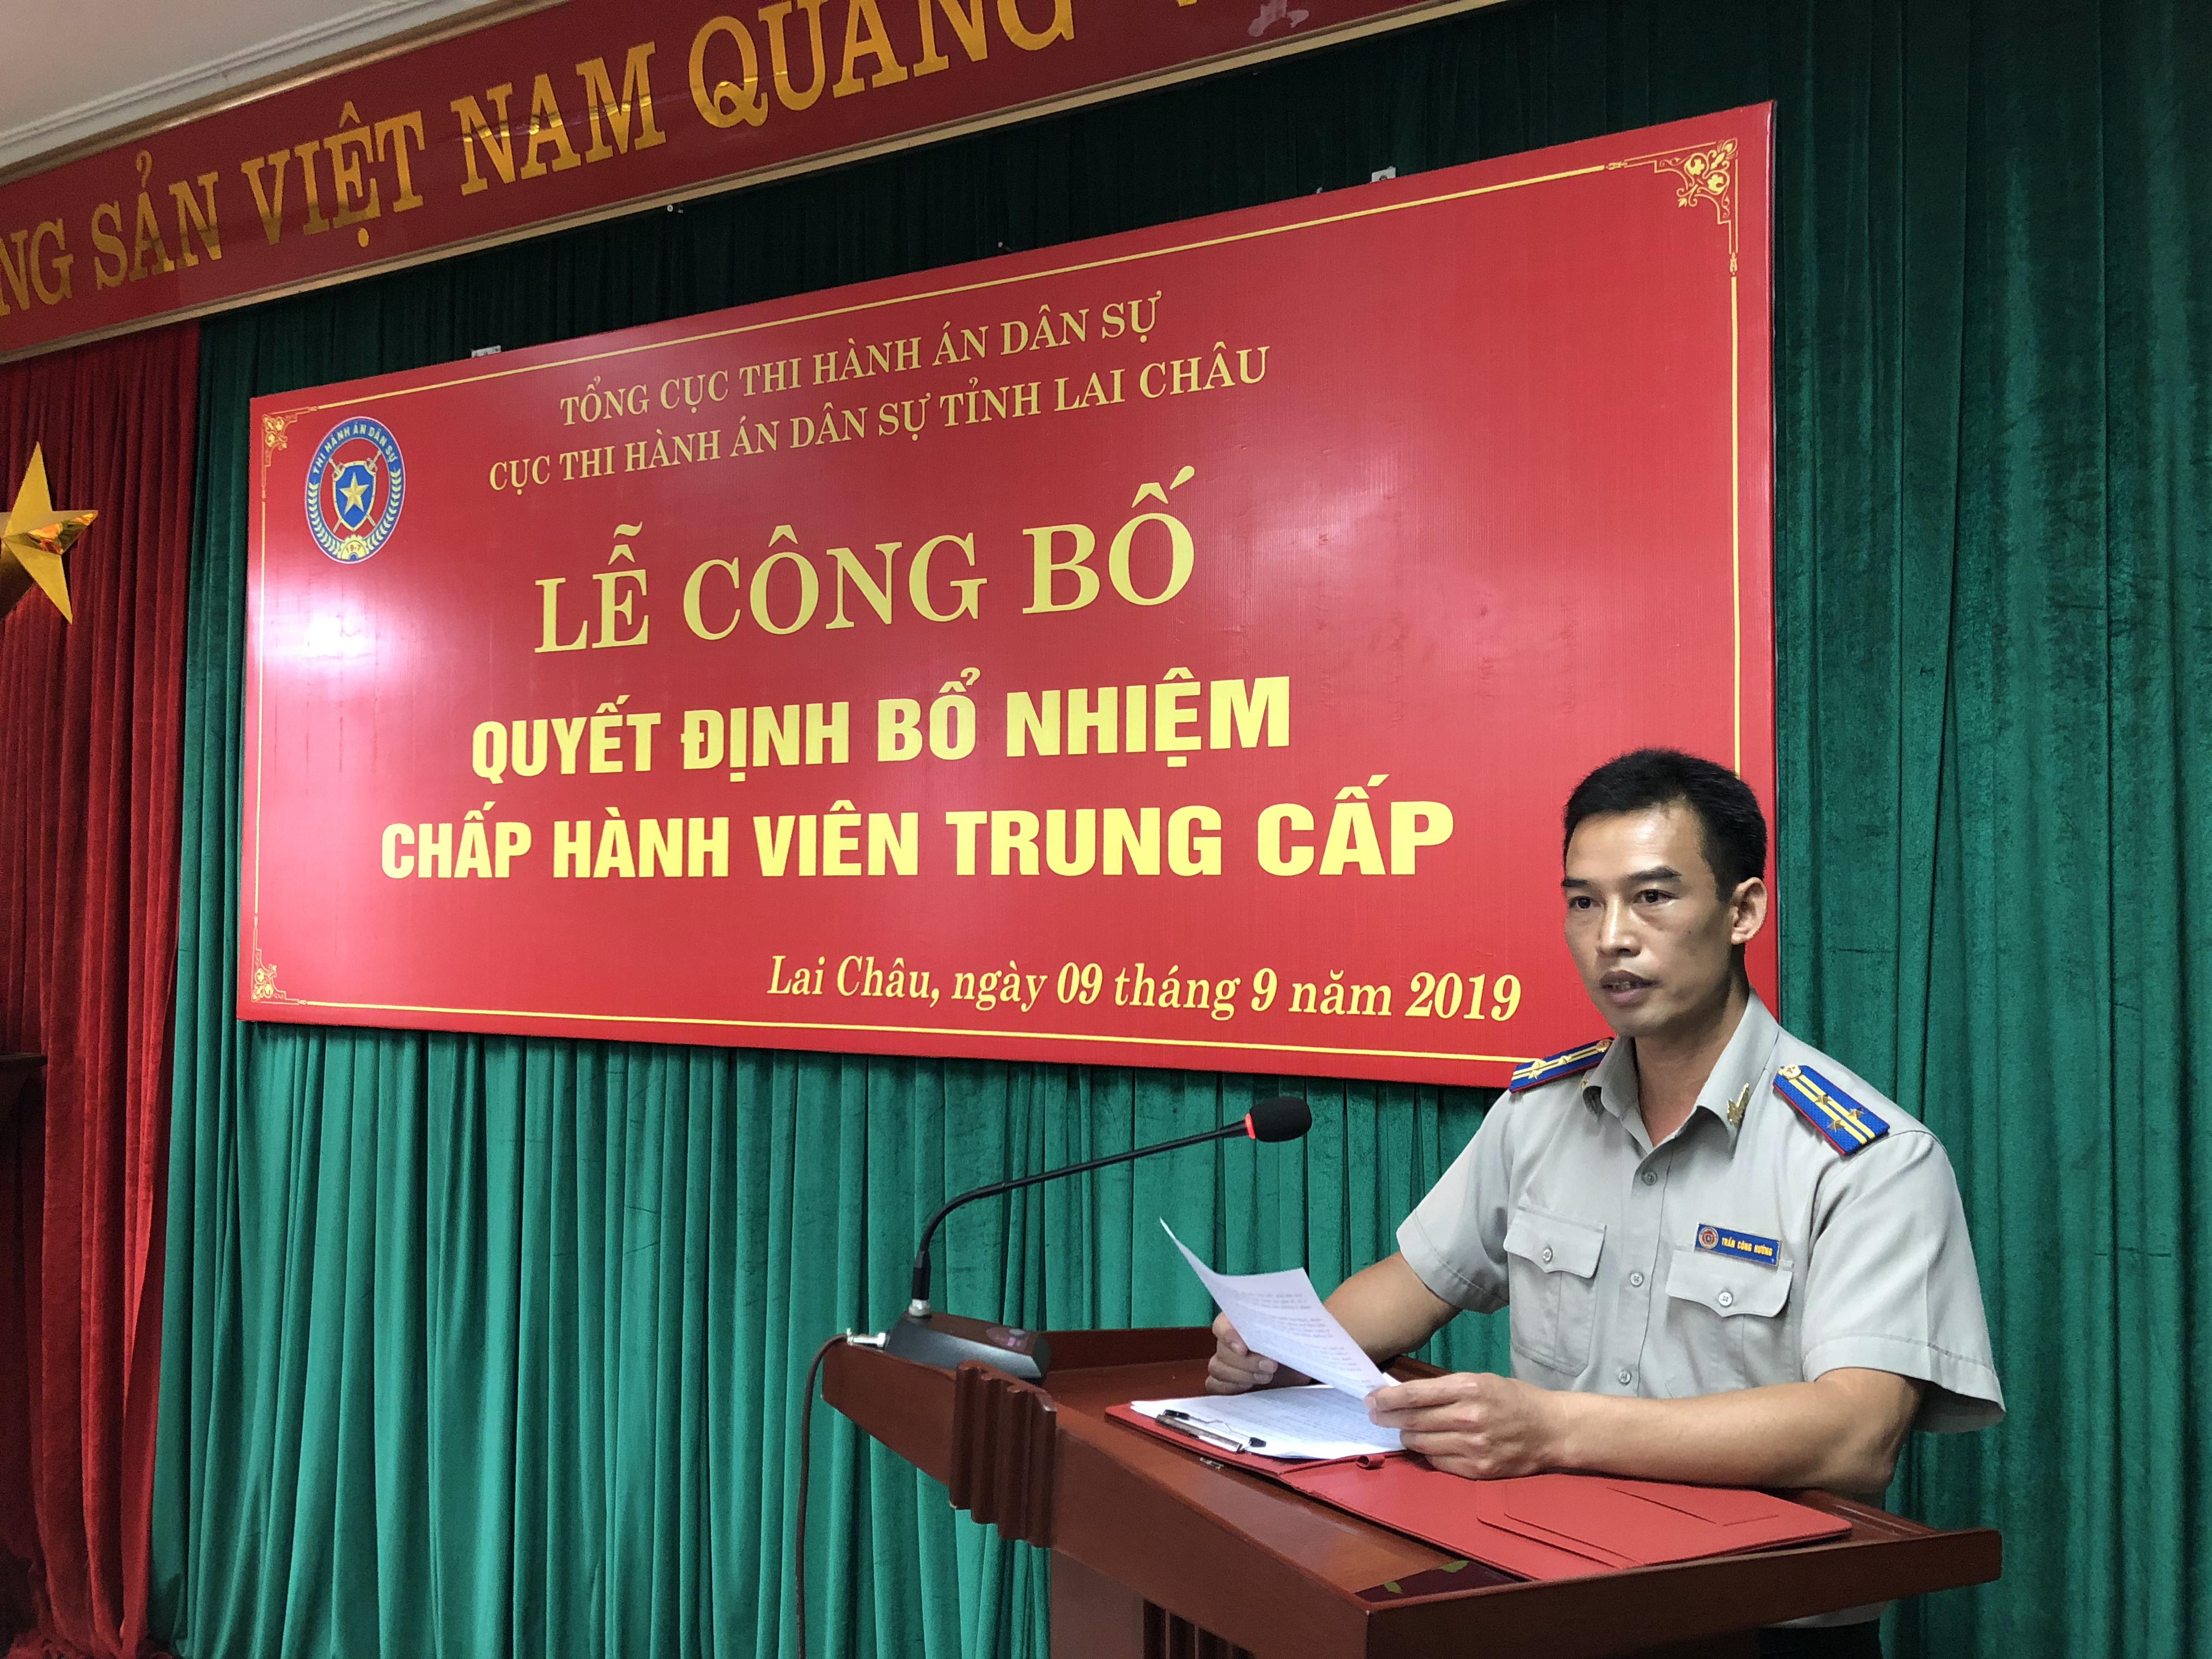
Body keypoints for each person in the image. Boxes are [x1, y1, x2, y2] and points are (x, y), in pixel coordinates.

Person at [1206, 748, 2003, 1657]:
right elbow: (1416, 1282)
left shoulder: (1868, 1157)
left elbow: (1857, 1435)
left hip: (1752, 1620)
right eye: (1584, 903)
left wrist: (1553, 1429)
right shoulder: (1539, 1113)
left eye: (1653, 897)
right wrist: (1281, 1351)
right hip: (1551, 1598)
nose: (1612, 937)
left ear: (1743, 910)